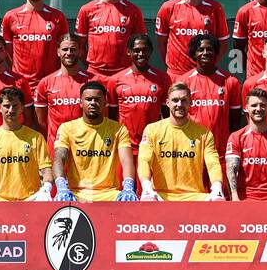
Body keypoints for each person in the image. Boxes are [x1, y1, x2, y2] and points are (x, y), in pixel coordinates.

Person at [137, 82, 224, 202]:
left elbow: (213, 164)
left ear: (190, 103)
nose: (179, 104)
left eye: (184, 100)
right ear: (167, 103)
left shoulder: (204, 133)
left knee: (216, 202)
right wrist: (146, 187)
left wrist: (217, 188)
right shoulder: (152, 130)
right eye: (175, 100)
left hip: (194, 196)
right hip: (161, 195)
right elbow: (144, 160)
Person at [52, 81, 137, 202]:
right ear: (81, 102)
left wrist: (128, 186)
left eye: (97, 99)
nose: (93, 103)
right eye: (88, 99)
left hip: (109, 194)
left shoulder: (118, 129)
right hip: (76, 194)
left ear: (104, 103)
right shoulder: (67, 128)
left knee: (132, 202)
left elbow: (126, 160)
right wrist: (61, 187)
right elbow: (59, 158)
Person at [179, 33, 243, 176]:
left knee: (220, 196)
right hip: (192, 151)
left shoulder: (231, 82)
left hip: (220, 153)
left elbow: (235, 122)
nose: (205, 52)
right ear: (194, 54)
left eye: (209, 49)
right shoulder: (183, 82)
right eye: (200, 49)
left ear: (216, 53)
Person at [0, 88, 52, 202]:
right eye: (7, 106)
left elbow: (46, 170)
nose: (11, 110)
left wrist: (46, 187)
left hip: (30, 200)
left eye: (15, 106)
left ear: (22, 108)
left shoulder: (36, 137)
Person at [1, 0, 70, 95]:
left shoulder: (58, 17)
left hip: (51, 83)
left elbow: (65, 50)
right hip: (20, 83)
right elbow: (7, 52)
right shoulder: (11, 17)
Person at [155, 0, 229, 76]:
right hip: (176, 75)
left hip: (204, 75)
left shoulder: (215, 8)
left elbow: (223, 44)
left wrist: (208, 65)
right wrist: (171, 67)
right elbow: (161, 42)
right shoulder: (168, 7)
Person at [75, 0, 147, 78]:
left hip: (124, 73)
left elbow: (141, 46)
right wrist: (92, 66)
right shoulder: (87, 9)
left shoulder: (133, 11)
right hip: (95, 73)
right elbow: (80, 46)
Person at [107, 34, 169, 165]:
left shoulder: (162, 78)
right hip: (124, 146)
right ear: (128, 52)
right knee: (126, 185)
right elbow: (111, 117)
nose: (141, 54)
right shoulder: (116, 80)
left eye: (145, 50)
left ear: (151, 51)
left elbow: (167, 115)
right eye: (136, 50)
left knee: (147, 185)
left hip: (152, 144)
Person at [32, 34, 92, 156]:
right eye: (65, 49)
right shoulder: (45, 83)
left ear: (80, 52)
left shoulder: (92, 82)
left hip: (87, 147)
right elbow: (41, 122)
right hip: (56, 148)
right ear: (58, 52)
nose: (69, 53)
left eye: (73, 49)